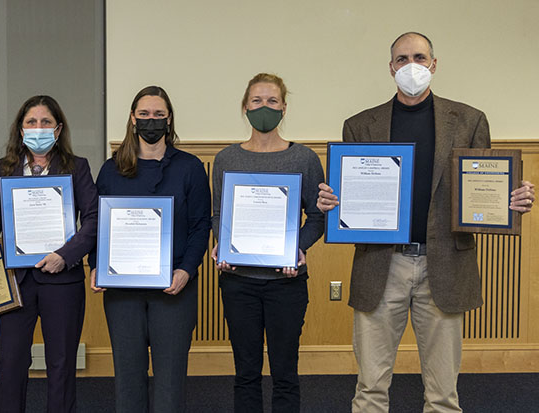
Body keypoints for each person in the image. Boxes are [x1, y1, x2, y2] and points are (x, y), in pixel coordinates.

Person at [316, 32, 536, 413]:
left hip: (445, 265)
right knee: (369, 389)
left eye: (419, 57)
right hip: (381, 265)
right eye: (402, 59)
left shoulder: (468, 120)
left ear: (434, 64)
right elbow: (350, 195)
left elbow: (485, 188)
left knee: (443, 394)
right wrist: (332, 203)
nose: (411, 66)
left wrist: (511, 201)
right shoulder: (360, 125)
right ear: (390, 68)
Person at [0, 95, 98, 413]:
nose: (39, 128)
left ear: (58, 128)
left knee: (61, 365)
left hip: (62, 280)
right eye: (31, 122)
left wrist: (65, 254)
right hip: (14, 283)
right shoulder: (4, 168)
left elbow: (93, 220)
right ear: (20, 131)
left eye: (46, 122)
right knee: (10, 363)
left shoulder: (77, 167)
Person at [88, 86, 211, 413]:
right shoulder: (111, 169)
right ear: (132, 119)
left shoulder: (190, 168)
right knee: (128, 377)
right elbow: (97, 224)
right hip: (123, 290)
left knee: (170, 380)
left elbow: (201, 226)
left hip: (174, 287)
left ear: (169, 120)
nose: (151, 121)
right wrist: (94, 264)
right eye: (144, 114)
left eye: (159, 115)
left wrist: (186, 270)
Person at [210, 73, 325, 412]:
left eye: (272, 101)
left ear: (284, 108)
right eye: (257, 101)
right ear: (245, 107)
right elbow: (218, 214)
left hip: (286, 284)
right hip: (238, 281)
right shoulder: (225, 159)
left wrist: (298, 248)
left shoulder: (304, 159)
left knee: (285, 372)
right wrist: (222, 244)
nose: (265, 107)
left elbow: (317, 217)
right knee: (245, 372)